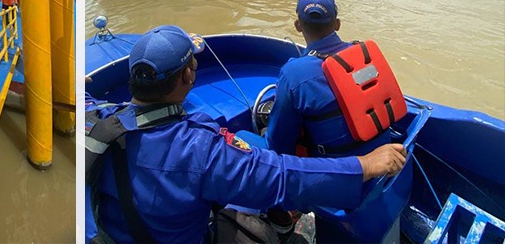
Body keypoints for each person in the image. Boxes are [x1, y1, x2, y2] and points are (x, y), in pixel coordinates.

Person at [85, 24, 408, 244]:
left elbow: (84, 105)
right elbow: (282, 177)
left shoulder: (99, 119)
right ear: (187, 75)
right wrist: (364, 165)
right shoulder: (200, 149)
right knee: (280, 222)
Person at [261, 0, 409, 241]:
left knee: (262, 153)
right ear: (337, 24)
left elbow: (278, 145)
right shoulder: (365, 56)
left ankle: (281, 222)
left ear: (298, 26)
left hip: (342, 180)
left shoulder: (294, 73)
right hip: (385, 163)